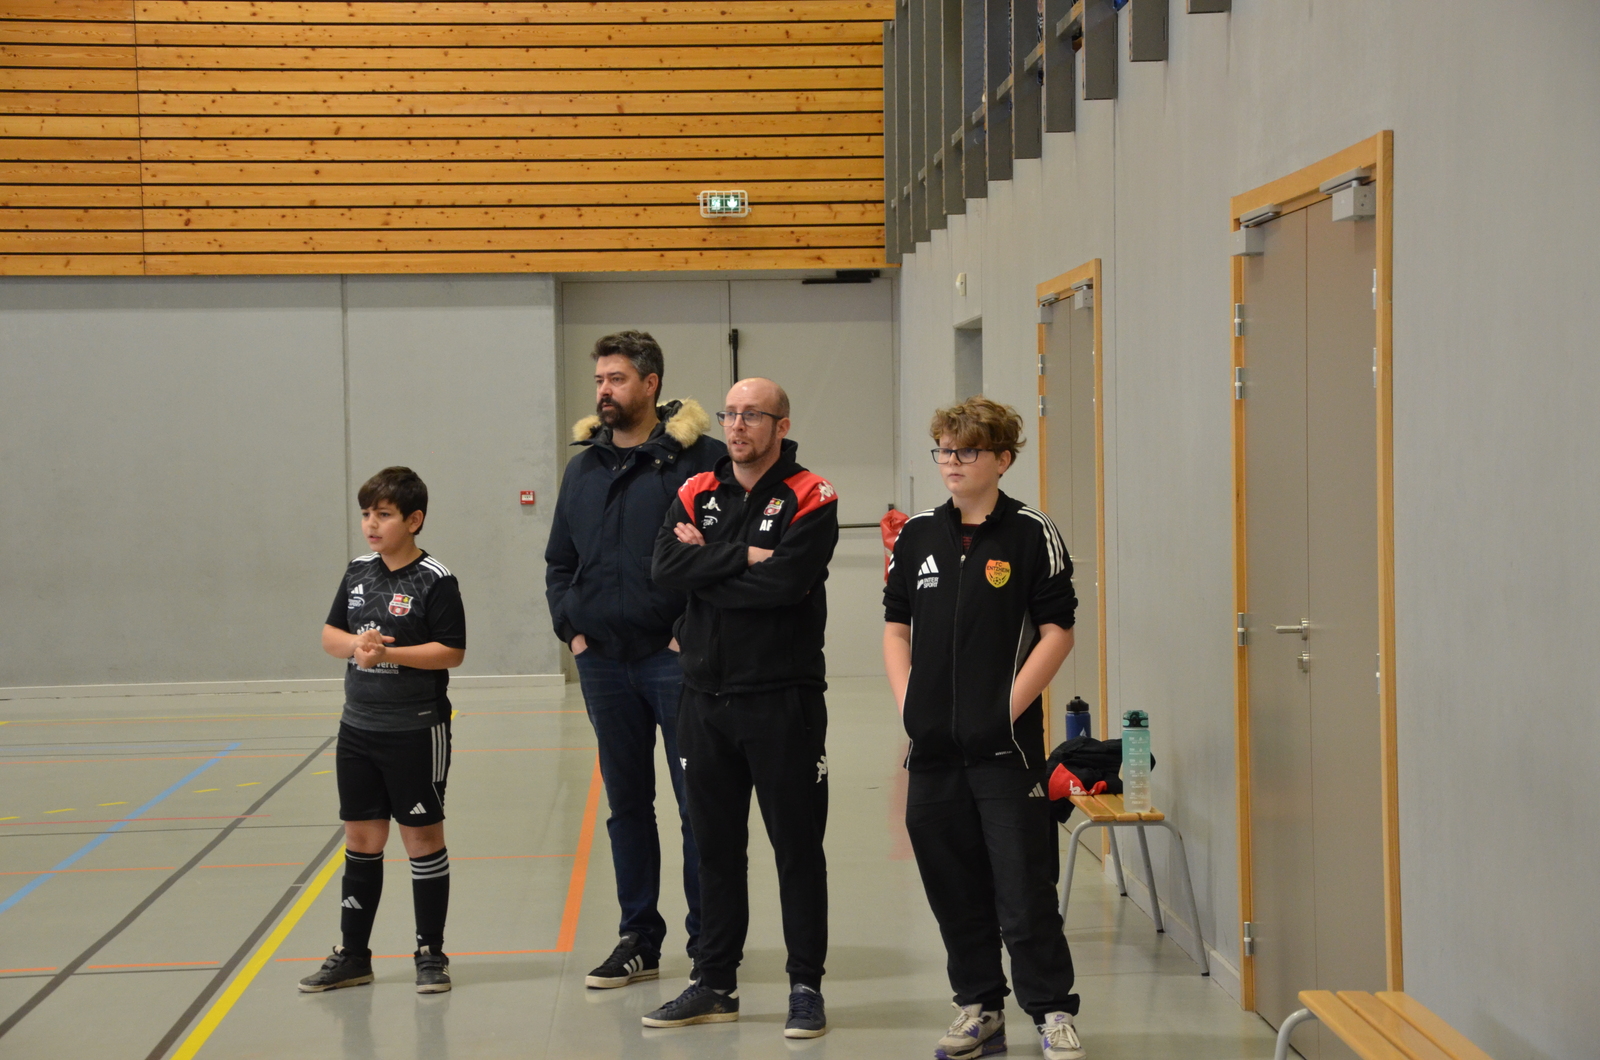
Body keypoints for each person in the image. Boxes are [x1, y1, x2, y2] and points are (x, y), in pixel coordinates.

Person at [883, 398, 1086, 1060]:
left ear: (1002, 459)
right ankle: (979, 1006)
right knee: (953, 888)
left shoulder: (1031, 533)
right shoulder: (917, 535)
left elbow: (1058, 631)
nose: (952, 462)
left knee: (1023, 891)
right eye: (944, 449)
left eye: (966, 451)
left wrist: (1004, 710)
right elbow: (896, 626)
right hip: (934, 754)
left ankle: (1051, 1011)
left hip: (1006, 753)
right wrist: (909, 705)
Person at [643, 378, 838, 1039]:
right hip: (704, 701)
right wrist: (742, 558)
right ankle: (715, 983)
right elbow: (664, 567)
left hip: (783, 701)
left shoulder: (812, 494)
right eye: (729, 414)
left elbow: (785, 585)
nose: (736, 425)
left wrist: (708, 566)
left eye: (752, 415)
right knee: (715, 849)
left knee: (797, 850)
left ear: (781, 425)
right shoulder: (697, 489)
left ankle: (805, 986)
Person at [544, 330, 724, 989]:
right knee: (626, 805)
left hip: (676, 662)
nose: (603, 391)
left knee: (697, 805)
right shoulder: (584, 468)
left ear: (651, 384)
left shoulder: (701, 462)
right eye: (599, 379)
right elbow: (559, 561)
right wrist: (573, 629)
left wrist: (687, 631)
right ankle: (639, 939)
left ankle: (709, 947)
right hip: (602, 664)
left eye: (616, 379)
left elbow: (723, 554)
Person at [300, 466, 467, 996]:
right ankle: (353, 954)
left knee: (421, 838)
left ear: (414, 520)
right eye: (367, 514)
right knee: (361, 838)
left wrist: (389, 654)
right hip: (358, 729)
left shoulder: (436, 579)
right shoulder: (357, 572)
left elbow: (452, 651)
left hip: (415, 731)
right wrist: (357, 646)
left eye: (384, 514)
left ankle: (430, 953)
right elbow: (330, 635)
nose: (371, 524)